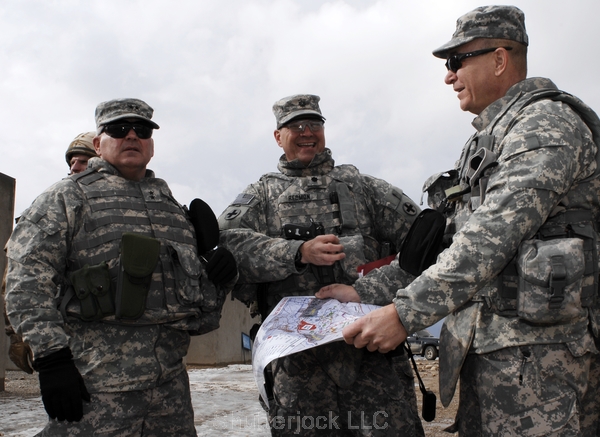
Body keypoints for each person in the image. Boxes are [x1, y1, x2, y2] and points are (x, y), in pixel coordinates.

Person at [321, 5, 600, 436]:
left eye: (456, 61)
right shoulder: (486, 141)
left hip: (542, 366)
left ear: (500, 59)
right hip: (490, 357)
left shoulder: (545, 125)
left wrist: (404, 314)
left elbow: (492, 235)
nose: (449, 77)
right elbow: (445, 244)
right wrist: (363, 292)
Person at [5, 98, 237, 436]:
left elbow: (196, 310)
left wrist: (221, 276)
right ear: (98, 144)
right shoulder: (66, 198)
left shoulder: (172, 210)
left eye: (142, 130)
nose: (131, 136)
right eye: (118, 129)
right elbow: (26, 282)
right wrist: (52, 358)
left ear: (151, 146)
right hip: (96, 389)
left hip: (169, 394)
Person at [218, 94, 424, 436]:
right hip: (298, 371)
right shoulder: (262, 195)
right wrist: (296, 251)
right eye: (295, 126)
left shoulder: (364, 188)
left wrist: (367, 290)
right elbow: (225, 246)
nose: (306, 132)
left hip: (374, 359)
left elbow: (427, 245)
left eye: (314, 124)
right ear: (278, 136)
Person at [3, 130, 97, 375]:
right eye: (72, 162)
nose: (74, 168)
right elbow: (16, 279)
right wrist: (17, 335)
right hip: (65, 334)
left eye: (83, 161)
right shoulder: (51, 207)